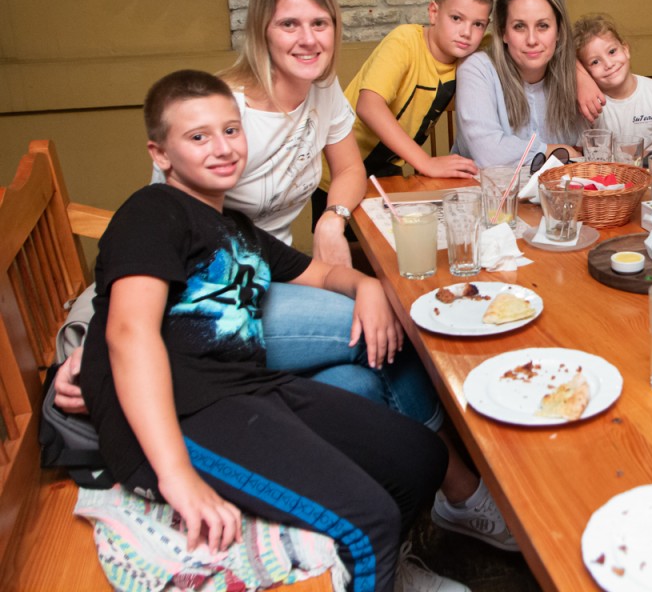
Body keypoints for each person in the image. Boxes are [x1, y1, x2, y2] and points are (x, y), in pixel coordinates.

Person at [56, 0, 516, 558]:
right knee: (391, 324)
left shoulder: (319, 89)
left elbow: (348, 171)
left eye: (320, 23)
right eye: (289, 24)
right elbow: (161, 238)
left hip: (266, 264)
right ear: (261, 31)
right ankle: (461, 486)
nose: (308, 38)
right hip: (214, 302)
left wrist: (332, 221)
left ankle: (398, 529)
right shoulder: (217, 110)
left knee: (359, 380)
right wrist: (94, 342)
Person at [78, 70, 451, 592]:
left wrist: (365, 285)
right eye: (198, 136)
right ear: (160, 155)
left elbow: (321, 274)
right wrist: (176, 473)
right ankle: (371, 557)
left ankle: (373, 573)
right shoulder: (153, 211)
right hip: (184, 416)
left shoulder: (236, 229)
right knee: (371, 521)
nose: (222, 147)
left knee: (422, 456)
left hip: (249, 391)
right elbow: (127, 332)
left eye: (231, 130)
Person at [337, 0, 492, 181]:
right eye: (456, 18)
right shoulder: (405, 41)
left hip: (388, 169)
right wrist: (426, 162)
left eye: (478, 24)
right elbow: (368, 106)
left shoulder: (470, 56)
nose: (467, 32)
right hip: (339, 167)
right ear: (434, 13)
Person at [454, 0, 583, 167]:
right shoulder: (477, 69)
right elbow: (489, 154)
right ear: (503, 33)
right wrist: (553, 151)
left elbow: (597, 145)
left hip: (556, 186)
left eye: (543, 26)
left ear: (558, 31)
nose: (532, 40)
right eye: (519, 26)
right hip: (483, 186)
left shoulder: (575, 77)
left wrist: (583, 76)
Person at [573, 12, 652, 155]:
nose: (609, 64)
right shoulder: (589, 104)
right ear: (585, 71)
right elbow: (581, 155)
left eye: (612, 51)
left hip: (651, 169)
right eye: (595, 62)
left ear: (625, 49)